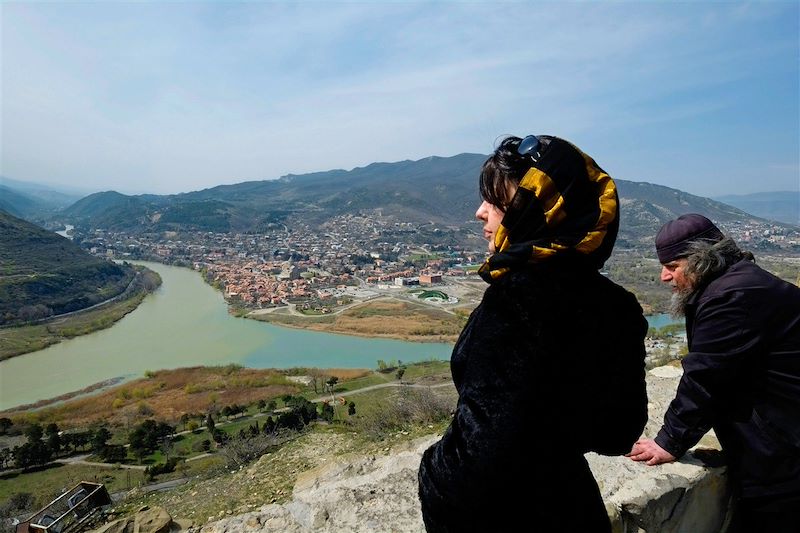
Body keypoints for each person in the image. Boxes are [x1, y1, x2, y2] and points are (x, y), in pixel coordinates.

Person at [417, 135, 648, 533]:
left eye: (495, 201)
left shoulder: (518, 302)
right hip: (574, 508)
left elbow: (478, 465)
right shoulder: (619, 307)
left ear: (534, 210)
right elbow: (619, 432)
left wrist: (432, 469)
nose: (479, 213)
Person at [627, 213, 800, 532]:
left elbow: (705, 377)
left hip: (783, 458)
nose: (665, 277)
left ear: (700, 261)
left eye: (672, 266)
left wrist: (669, 441)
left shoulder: (729, 297)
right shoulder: (743, 281)